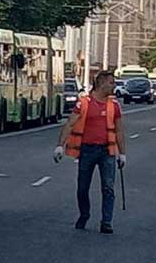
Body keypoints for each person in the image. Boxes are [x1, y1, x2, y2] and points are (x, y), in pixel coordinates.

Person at [53, 69, 127, 233]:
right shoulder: (84, 103)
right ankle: (84, 214)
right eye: (111, 82)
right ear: (101, 84)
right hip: (87, 151)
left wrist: (122, 154)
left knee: (108, 187)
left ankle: (106, 222)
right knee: (82, 187)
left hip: (107, 151)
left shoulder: (114, 105)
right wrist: (60, 145)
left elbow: (120, 130)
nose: (114, 86)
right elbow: (70, 124)